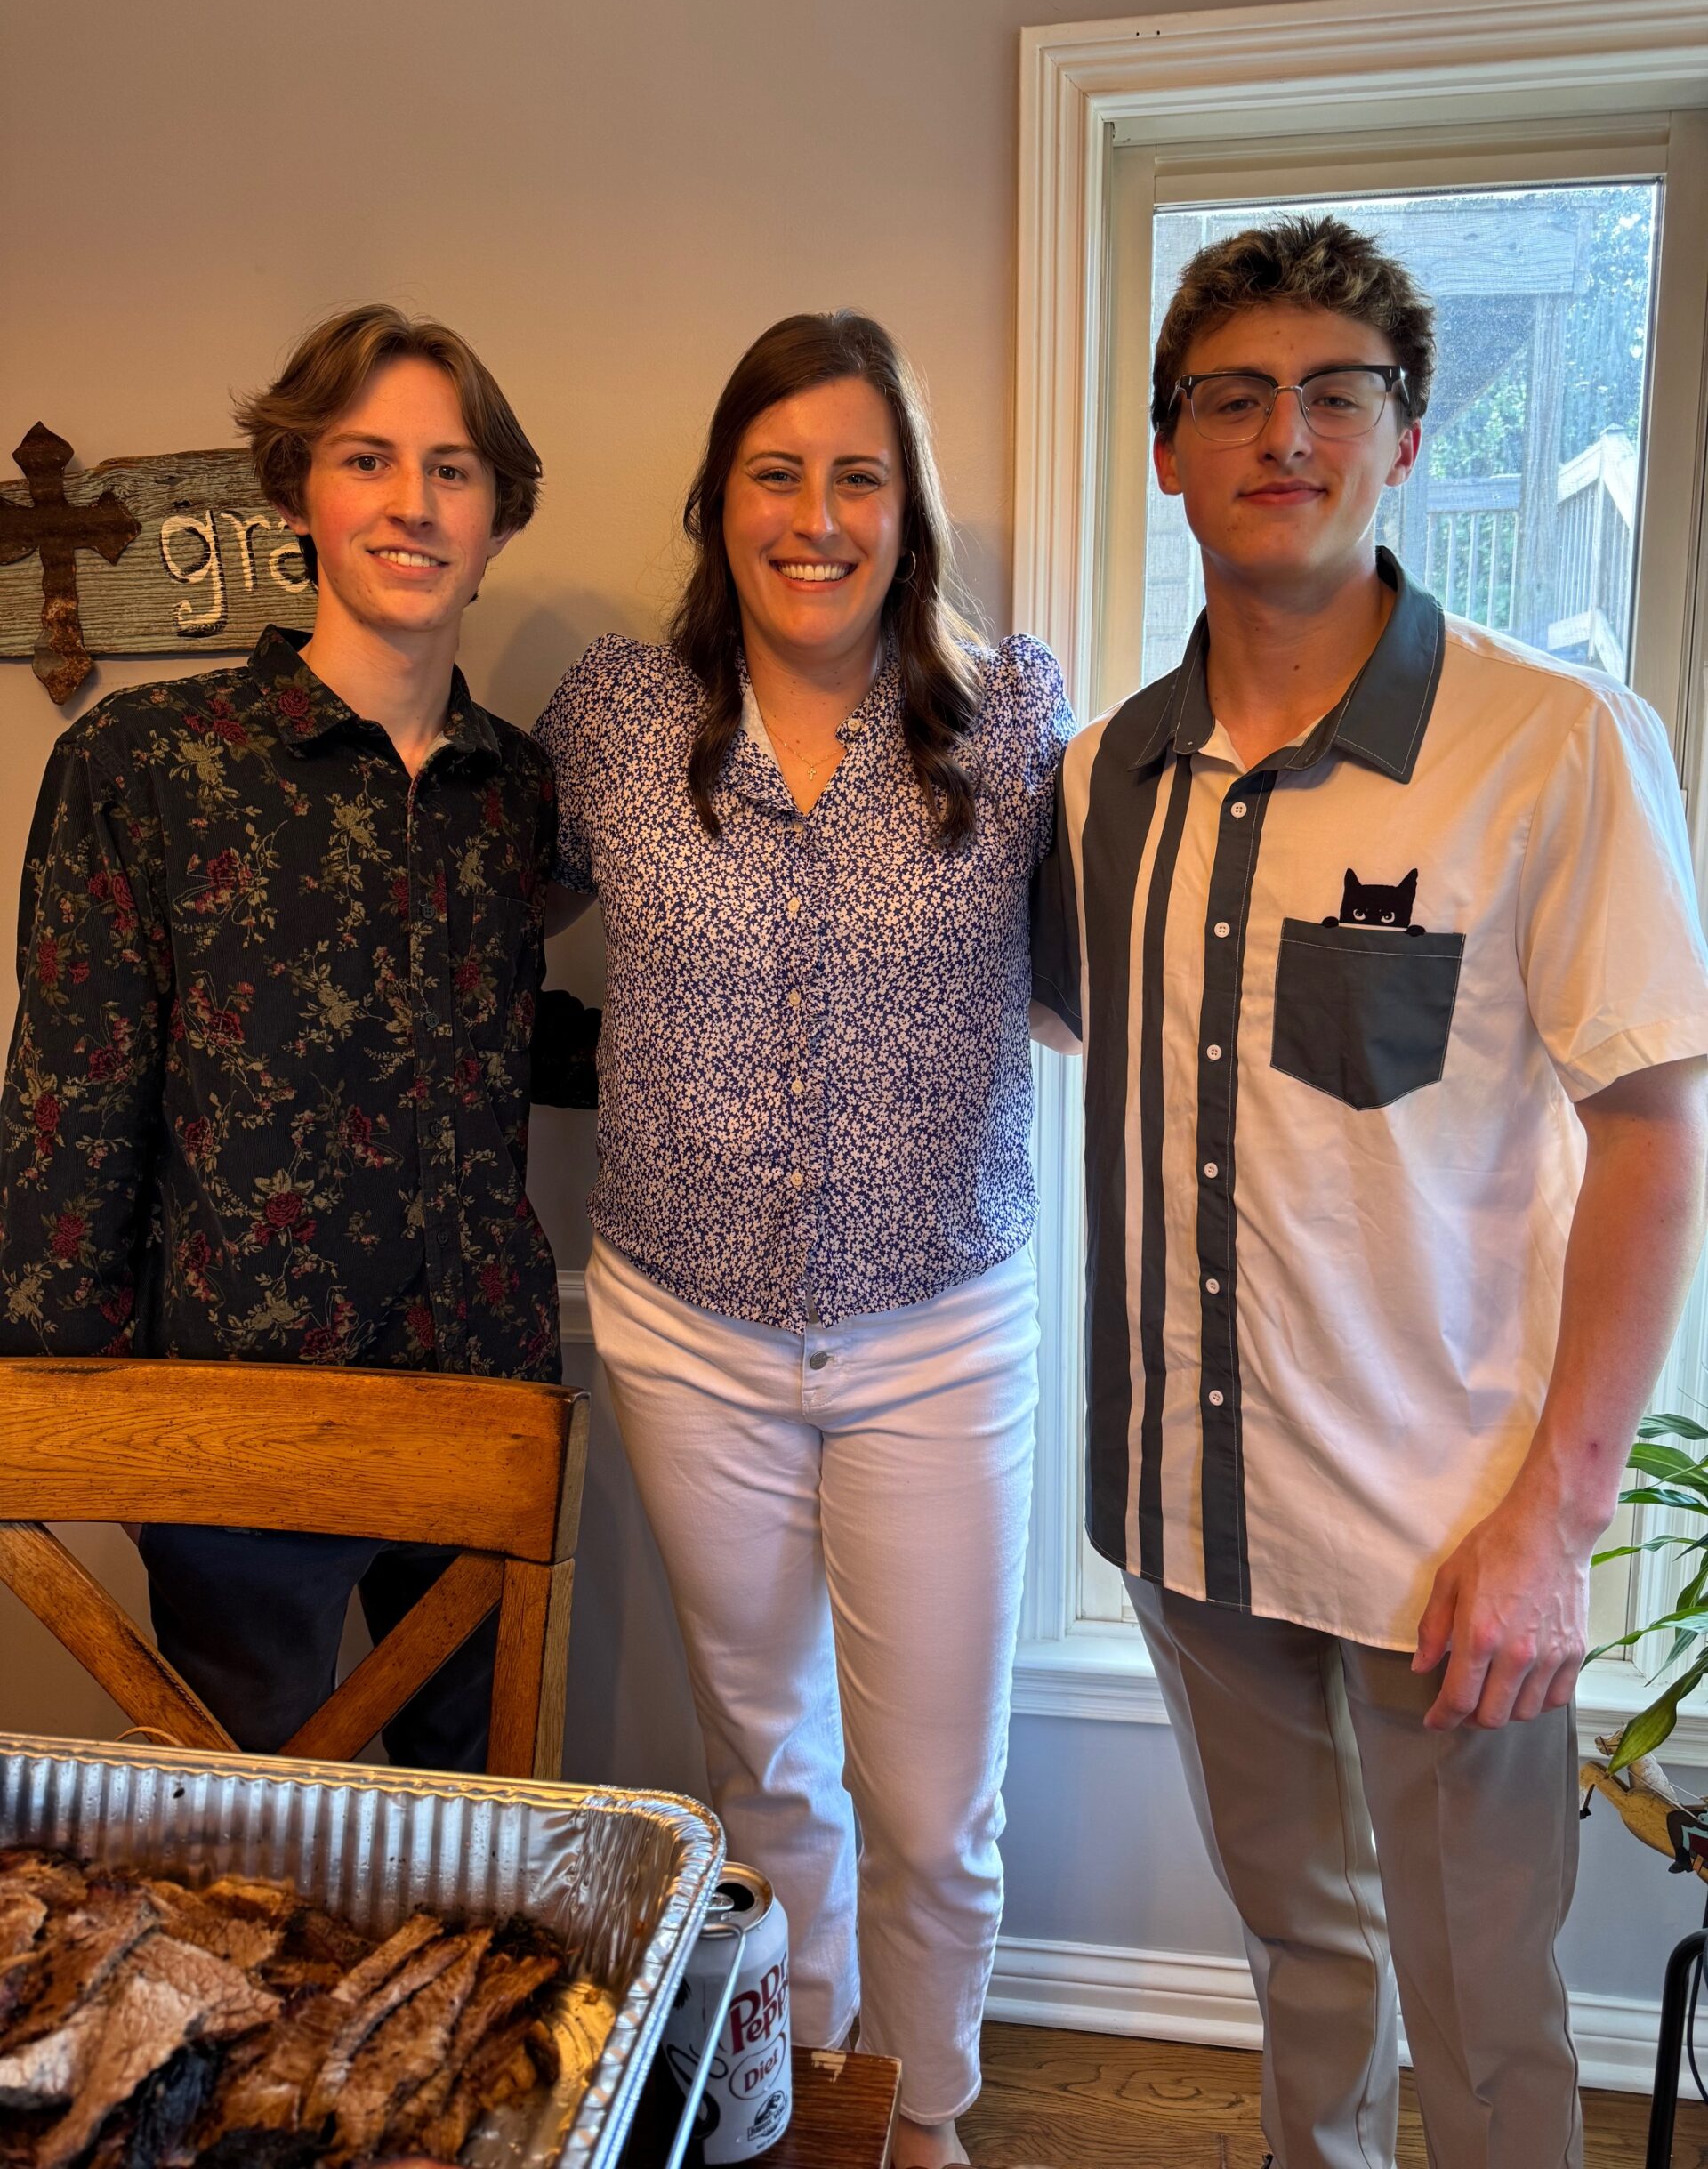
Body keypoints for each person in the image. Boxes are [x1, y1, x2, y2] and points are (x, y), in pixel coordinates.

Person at [1032, 216, 1708, 2169]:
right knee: (1300, 1960)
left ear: (1406, 437)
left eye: (1339, 391)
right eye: (1235, 395)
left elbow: (1660, 1133)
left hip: (1454, 1544)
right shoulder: (1101, 781)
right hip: (1189, 1508)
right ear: (1168, 451)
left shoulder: (1552, 744)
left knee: (1494, 2010)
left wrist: (1555, 1521)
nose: (1287, 431)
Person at [534, 310, 1071, 2169]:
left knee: (937, 1803)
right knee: (766, 1765)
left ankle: (925, 2118)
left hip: (940, 1316)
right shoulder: (616, 717)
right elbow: (470, 918)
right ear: (720, 498)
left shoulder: (1010, 719)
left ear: (907, 508)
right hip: (685, 1323)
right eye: (779, 472)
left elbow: (1101, 980)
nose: (818, 514)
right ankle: (803, 2094)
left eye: (859, 473)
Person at [0, 304, 560, 1770]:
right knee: (251, 1857)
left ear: (496, 516)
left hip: (483, 1396)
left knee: (477, 1838)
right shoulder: (147, 763)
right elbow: (69, 1106)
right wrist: (77, 1416)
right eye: (368, 459)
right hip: (236, 1412)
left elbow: (497, 1037)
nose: (411, 504)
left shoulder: (523, 794)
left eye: (452, 469)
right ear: (298, 491)